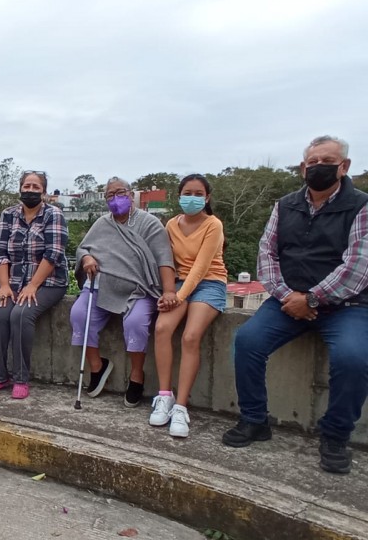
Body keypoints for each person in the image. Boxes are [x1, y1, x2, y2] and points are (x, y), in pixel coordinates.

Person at [223, 135, 368, 474]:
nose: (318, 168)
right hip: (288, 299)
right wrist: (288, 297)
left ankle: (334, 436)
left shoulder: (361, 206)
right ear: (303, 167)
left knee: (353, 359)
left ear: (344, 166)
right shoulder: (285, 205)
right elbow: (267, 254)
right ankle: (255, 419)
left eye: (327, 162)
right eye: (312, 163)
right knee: (247, 342)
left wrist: (313, 298)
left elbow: (358, 266)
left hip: (347, 305)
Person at [69, 177, 175, 407]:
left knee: (136, 322)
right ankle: (98, 367)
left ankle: (137, 375)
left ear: (131, 194)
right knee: (78, 314)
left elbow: (164, 259)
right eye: (110, 195)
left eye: (120, 192)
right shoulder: (102, 224)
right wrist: (86, 258)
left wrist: (168, 291)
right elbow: (84, 248)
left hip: (138, 288)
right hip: (102, 286)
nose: (116, 198)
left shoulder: (150, 224)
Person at [0, 171, 68, 400]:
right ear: (20, 188)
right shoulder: (8, 215)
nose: (30, 190)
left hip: (49, 282)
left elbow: (54, 253)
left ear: (44, 191)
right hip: (15, 281)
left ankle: (20, 378)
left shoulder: (54, 215)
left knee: (20, 314)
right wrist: (4, 285)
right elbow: (0, 252)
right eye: (26, 185)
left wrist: (33, 285)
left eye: (36, 187)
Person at [149, 174, 227, 438]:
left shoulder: (213, 225)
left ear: (207, 198)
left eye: (198, 194)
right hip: (179, 283)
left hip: (209, 283)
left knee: (191, 336)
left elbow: (202, 267)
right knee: (162, 328)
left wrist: (178, 297)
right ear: (179, 195)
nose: (192, 198)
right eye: (187, 193)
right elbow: (166, 260)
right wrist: (170, 290)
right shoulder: (171, 224)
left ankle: (181, 406)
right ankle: (164, 397)